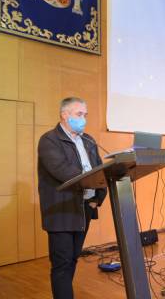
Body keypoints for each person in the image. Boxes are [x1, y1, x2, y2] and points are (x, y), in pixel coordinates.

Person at [38, 97, 107, 299]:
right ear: (64, 115)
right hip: (61, 210)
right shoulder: (50, 140)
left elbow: (100, 169)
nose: (83, 119)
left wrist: (97, 197)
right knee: (62, 263)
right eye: (79, 114)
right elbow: (62, 171)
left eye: (85, 115)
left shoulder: (88, 140)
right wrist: (90, 183)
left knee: (74, 258)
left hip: (84, 207)